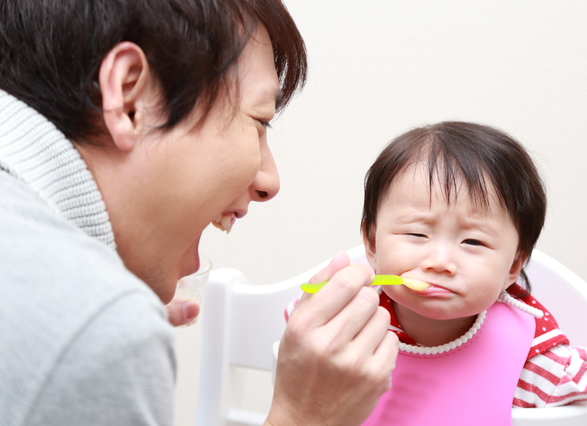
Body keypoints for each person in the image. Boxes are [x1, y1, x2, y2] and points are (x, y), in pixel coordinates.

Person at [0, 1, 398, 425]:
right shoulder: (91, 323)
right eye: (259, 120)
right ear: (131, 96)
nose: (270, 181)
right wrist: (307, 416)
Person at [286, 121, 587, 424]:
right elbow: (303, 334)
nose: (440, 261)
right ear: (372, 244)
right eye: (417, 234)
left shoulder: (529, 361)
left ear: (513, 266)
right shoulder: (351, 323)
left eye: (472, 240)